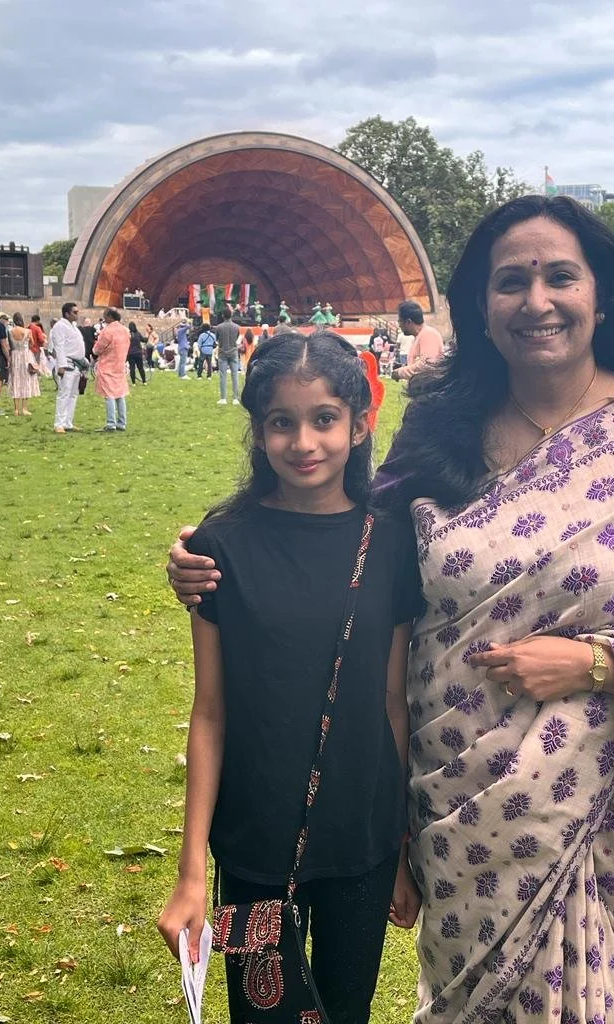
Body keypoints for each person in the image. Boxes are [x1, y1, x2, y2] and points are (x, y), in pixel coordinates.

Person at [166, 195, 614, 1023]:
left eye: (560, 277)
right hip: (457, 814)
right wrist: (213, 557)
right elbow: (351, 542)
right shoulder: (443, 431)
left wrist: (602, 663)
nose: (536, 301)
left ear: (602, 293)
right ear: (480, 303)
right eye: (511, 282)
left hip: (607, 824)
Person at [157, 332, 422, 1024]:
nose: (304, 442)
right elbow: (210, 711)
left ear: (359, 424)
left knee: (345, 1011)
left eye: (324, 419)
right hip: (254, 841)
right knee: (262, 1015)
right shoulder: (220, 546)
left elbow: (393, 703)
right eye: (282, 421)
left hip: (362, 839)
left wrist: (400, 850)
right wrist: (191, 871)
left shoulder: (392, 543)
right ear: (258, 429)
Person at [50, 301, 85, 433]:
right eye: (74, 312)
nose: (77, 314)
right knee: (64, 394)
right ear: (66, 314)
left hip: (77, 364)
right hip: (67, 363)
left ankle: (67, 422)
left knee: (73, 394)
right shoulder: (60, 326)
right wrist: (61, 365)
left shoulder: (74, 326)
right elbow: (59, 346)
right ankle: (59, 424)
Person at [93, 308, 130, 432]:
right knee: (120, 395)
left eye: (105, 316)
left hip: (107, 366)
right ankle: (122, 422)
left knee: (109, 395)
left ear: (109, 316)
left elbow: (97, 349)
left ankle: (111, 423)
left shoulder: (107, 331)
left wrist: (95, 350)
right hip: (120, 366)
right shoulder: (125, 330)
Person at [393, 300, 444, 381]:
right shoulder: (420, 336)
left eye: (400, 321)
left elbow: (427, 365)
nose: (399, 325)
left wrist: (401, 372)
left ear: (408, 322)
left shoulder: (428, 334)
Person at [7, 312, 40, 416]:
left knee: (15, 380)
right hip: (25, 356)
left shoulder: (10, 331)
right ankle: (24, 408)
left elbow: (9, 345)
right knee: (26, 380)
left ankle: (16, 409)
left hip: (15, 356)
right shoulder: (27, 331)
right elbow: (32, 343)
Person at [215, 309, 240, 405]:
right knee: (235, 375)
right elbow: (236, 338)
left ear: (223, 315)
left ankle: (223, 398)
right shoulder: (236, 327)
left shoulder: (218, 327)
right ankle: (235, 398)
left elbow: (217, 339)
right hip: (233, 352)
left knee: (223, 376)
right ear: (231, 315)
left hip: (222, 352)